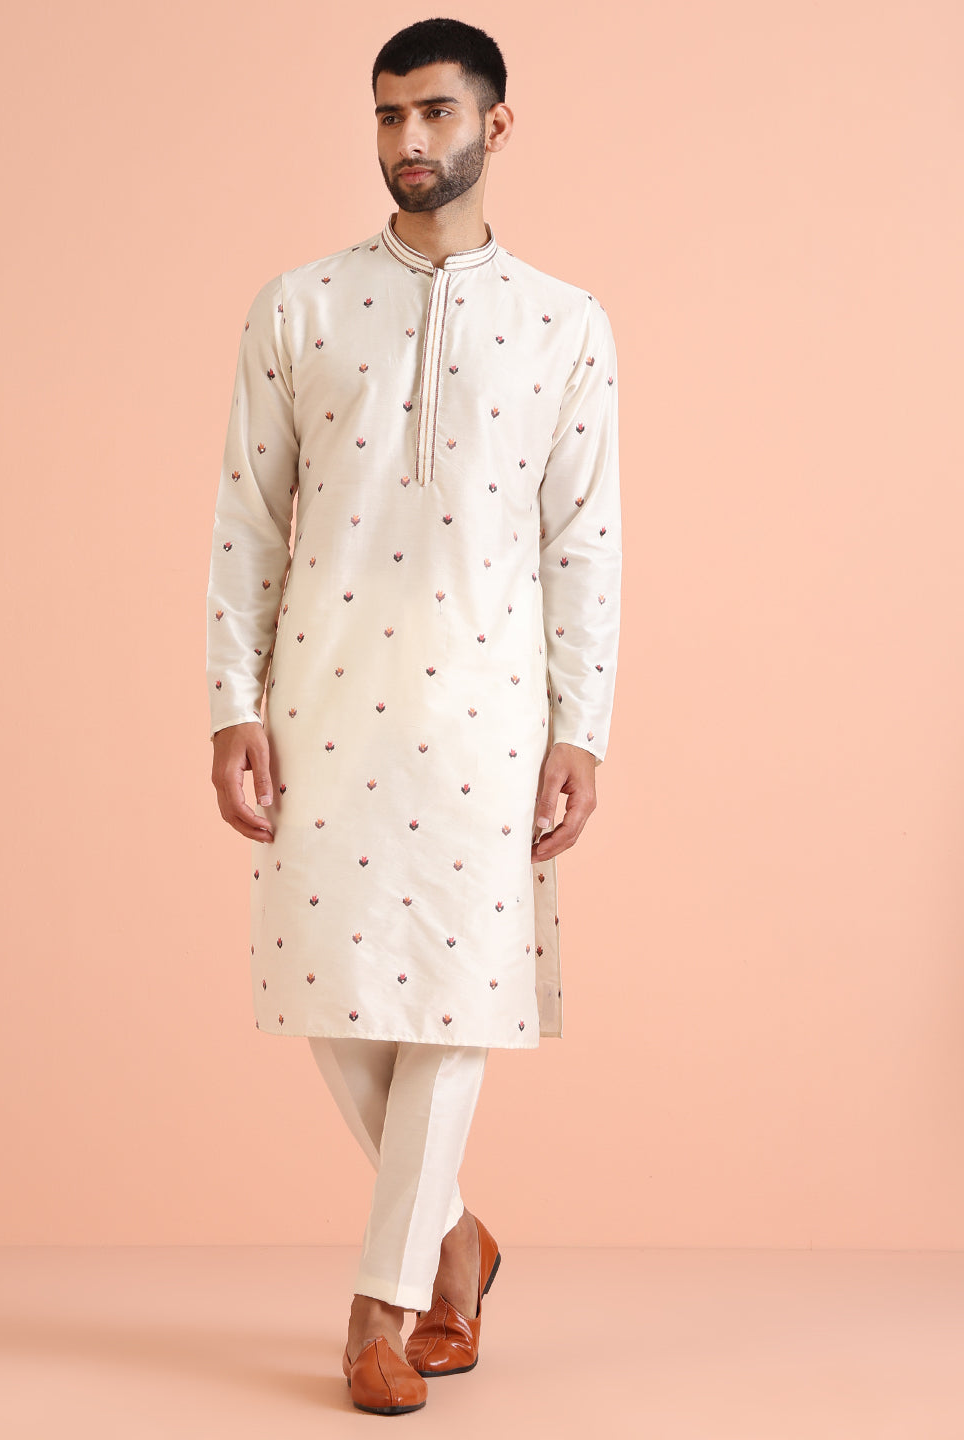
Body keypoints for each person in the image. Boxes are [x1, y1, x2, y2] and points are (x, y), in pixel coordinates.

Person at [206, 17, 622, 1416]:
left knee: (450, 995)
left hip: (489, 705)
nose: (409, 140)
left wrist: (582, 725)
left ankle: (380, 1308)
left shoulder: (565, 324)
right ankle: (456, 1241)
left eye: (436, 112)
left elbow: (584, 540)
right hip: (321, 696)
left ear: (495, 126)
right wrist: (231, 701)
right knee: (333, 987)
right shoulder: (300, 307)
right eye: (389, 115)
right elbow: (247, 521)